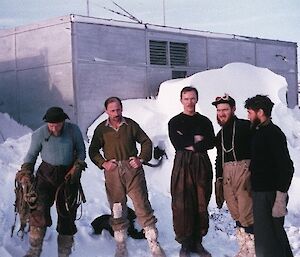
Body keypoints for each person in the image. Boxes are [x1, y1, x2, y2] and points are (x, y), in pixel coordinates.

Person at [88, 96, 166, 257]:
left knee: (142, 205)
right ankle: (121, 246)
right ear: (106, 111)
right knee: (117, 209)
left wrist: (141, 158)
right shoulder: (101, 129)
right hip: (113, 173)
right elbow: (93, 151)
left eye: (118, 109)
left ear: (122, 108)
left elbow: (146, 142)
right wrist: (103, 163)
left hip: (132, 171)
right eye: (112, 110)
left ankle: (154, 244)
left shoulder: (130, 125)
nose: (116, 113)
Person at [16, 106, 87, 257]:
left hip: (68, 177)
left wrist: (77, 166)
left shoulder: (73, 131)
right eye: (51, 125)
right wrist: (26, 170)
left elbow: (81, 151)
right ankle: (34, 251)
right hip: (46, 176)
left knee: (66, 217)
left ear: (63, 121)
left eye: (57, 124)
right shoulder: (39, 134)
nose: (54, 128)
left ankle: (64, 254)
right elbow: (31, 155)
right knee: (37, 212)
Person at [244, 95, 294, 257]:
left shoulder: (273, 134)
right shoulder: (259, 132)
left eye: (250, 112)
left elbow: (287, 167)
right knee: (271, 236)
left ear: (260, 112)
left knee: (269, 239)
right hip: (260, 193)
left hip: (271, 194)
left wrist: (280, 197)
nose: (248, 116)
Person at [168, 86, 215, 257]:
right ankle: (185, 243)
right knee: (182, 203)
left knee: (201, 202)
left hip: (201, 164)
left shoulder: (205, 121)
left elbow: (211, 142)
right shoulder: (174, 122)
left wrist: (191, 141)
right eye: (186, 98)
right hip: (182, 164)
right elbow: (178, 143)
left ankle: (198, 242)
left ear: (197, 99)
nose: (189, 102)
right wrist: (196, 139)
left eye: (192, 98)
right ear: (181, 100)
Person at [212, 94, 255, 257]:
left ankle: (253, 250)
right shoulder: (220, 134)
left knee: (247, 213)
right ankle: (244, 248)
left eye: (225, 109)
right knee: (235, 213)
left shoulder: (246, 127)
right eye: (219, 110)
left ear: (233, 109)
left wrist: (254, 175)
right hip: (227, 177)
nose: (222, 113)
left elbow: (257, 151)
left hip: (244, 172)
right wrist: (219, 179)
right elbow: (218, 158)